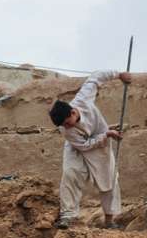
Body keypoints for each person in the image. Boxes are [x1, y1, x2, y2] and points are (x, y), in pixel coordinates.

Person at [48, 70, 133, 229]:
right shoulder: (66, 131)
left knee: (110, 179)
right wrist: (106, 134)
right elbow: (85, 146)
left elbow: (96, 77)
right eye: (63, 125)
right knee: (70, 173)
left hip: (101, 145)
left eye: (67, 122)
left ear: (73, 112)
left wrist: (119, 74)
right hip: (78, 147)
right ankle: (68, 216)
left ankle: (109, 220)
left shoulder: (83, 99)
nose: (66, 127)